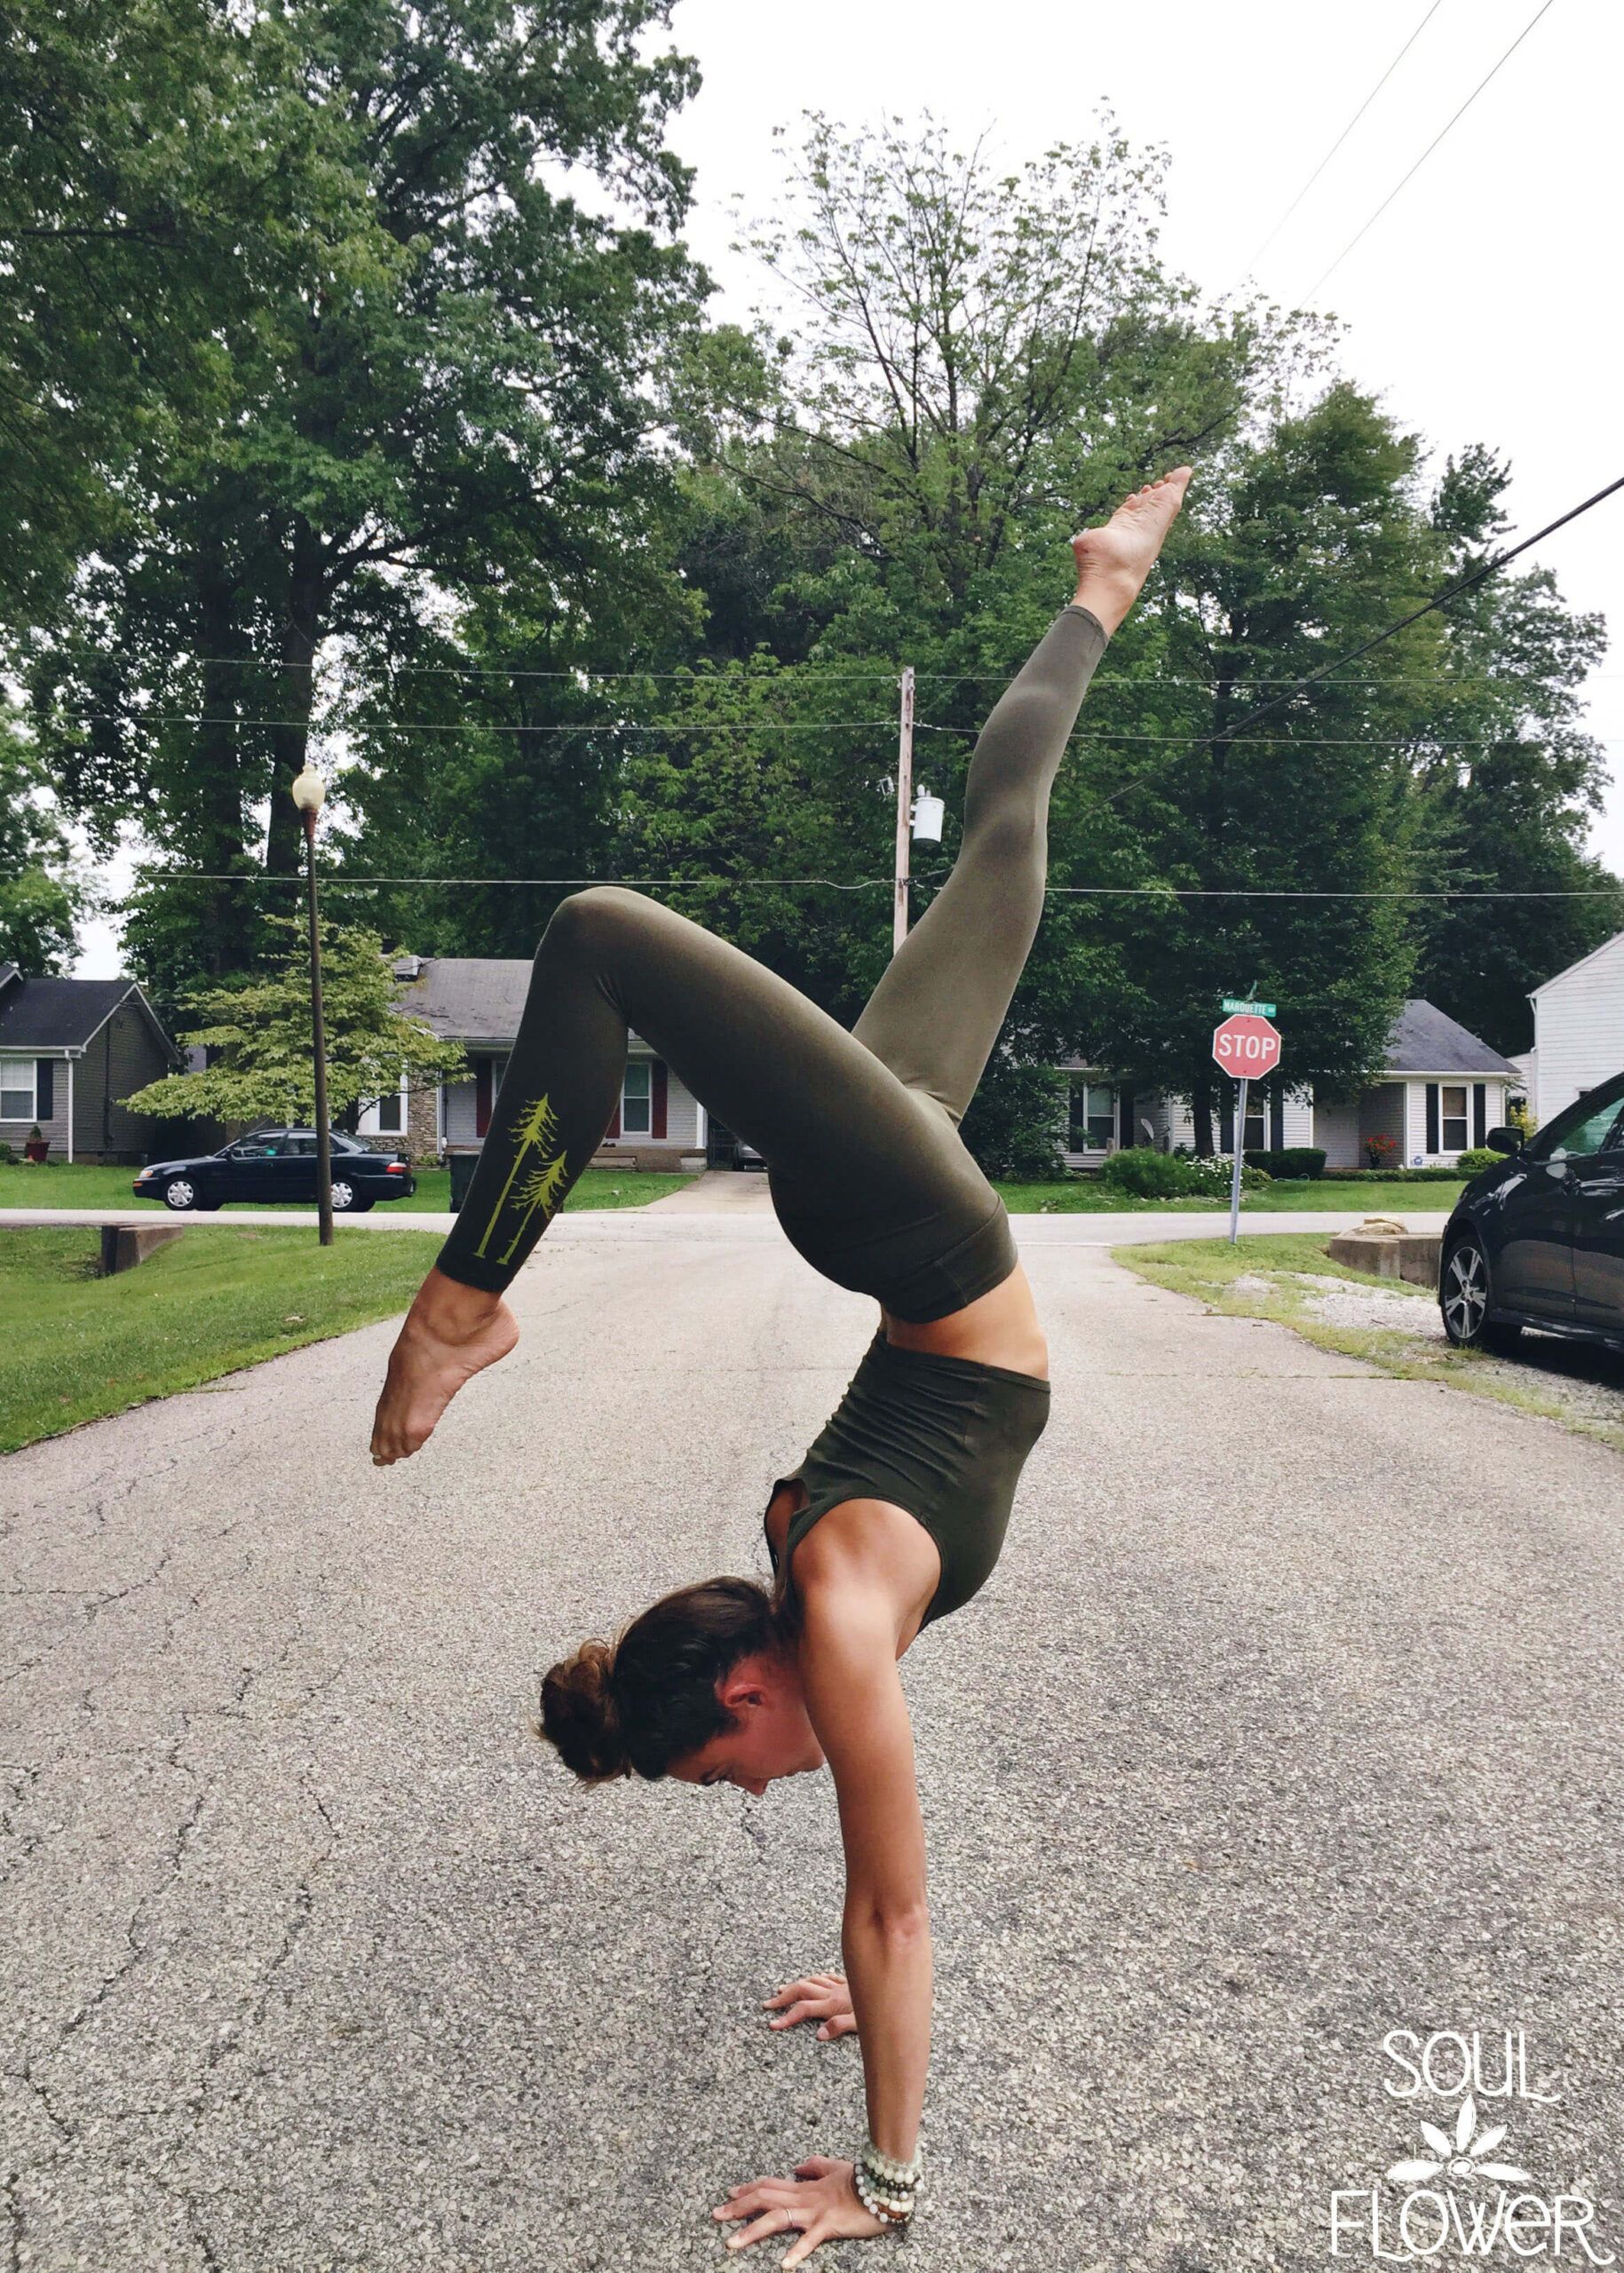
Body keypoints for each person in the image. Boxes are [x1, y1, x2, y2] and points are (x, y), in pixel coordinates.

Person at [368, 466, 1192, 2263]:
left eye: (733, 1777)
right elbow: (873, 1893)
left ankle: (462, 1302)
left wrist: (876, 2185)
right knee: (1006, 842)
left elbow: (896, 1909)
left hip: (910, 1229)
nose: (770, 1792)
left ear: (742, 1698)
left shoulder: (825, 1607)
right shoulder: (821, 1599)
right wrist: (848, 1957)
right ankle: (1103, 586)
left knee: (590, 931)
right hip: (913, 1194)